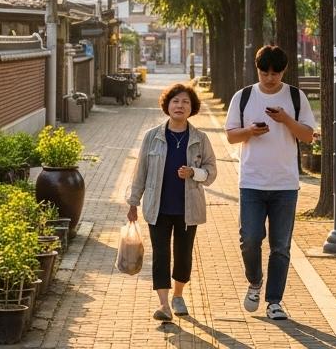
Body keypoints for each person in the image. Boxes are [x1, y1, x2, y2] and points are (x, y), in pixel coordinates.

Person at [224, 44, 315, 321]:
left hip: (285, 183)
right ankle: (255, 282)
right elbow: (230, 136)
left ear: (284, 71)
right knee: (250, 239)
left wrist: (286, 119)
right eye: (265, 72)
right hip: (251, 181)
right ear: (258, 69)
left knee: (280, 246)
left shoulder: (296, 97)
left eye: (275, 73)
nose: (270, 78)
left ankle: (274, 301)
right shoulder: (243, 97)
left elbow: (309, 136)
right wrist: (250, 131)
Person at [127, 82, 219, 322]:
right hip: (157, 208)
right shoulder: (152, 137)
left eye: (185, 102)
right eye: (175, 101)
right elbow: (141, 172)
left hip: (188, 209)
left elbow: (211, 171)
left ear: (192, 108)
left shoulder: (200, 138)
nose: (180, 105)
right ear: (167, 105)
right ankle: (164, 304)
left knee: (183, 254)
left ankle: (178, 295)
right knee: (160, 255)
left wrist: (194, 173)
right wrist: (133, 202)